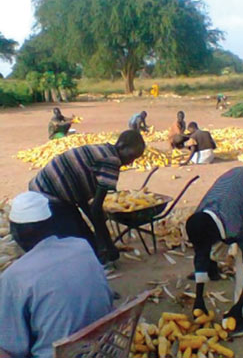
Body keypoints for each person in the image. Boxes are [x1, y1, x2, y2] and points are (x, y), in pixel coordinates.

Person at [0, 192, 113, 358]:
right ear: (52, 225)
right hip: (105, 348)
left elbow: (13, 346)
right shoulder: (83, 247)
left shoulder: (15, 277)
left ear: (15, 233)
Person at [29, 130, 145, 263]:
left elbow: (84, 198)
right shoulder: (111, 161)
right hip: (48, 196)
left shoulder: (105, 149)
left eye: (135, 159)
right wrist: (108, 244)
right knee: (81, 244)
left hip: (44, 187)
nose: (130, 162)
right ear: (121, 146)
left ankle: (99, 252)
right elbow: (95, 209)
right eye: (131, 156)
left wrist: (103, 238)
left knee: (87, 239)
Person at [186, 167, 243, 333]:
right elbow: (200, 250)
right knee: (212, 237)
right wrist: (198, 298)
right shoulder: (199, 216)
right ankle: (212, 267)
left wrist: (239, 305)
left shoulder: (239, 226)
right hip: (234, 183)